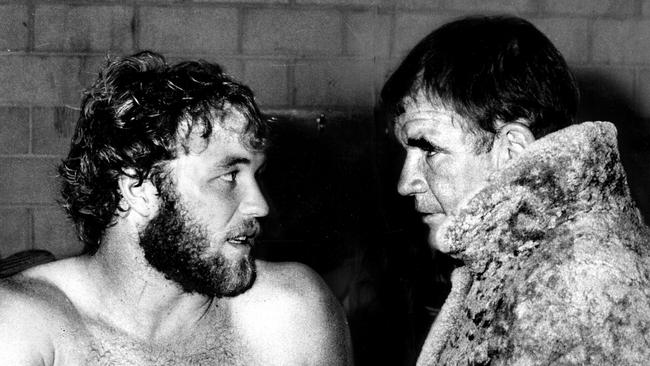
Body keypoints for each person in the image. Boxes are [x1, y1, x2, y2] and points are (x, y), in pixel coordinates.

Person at [0, 51, 352, 365]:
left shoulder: (292, 314)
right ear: (139, 188)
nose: (259, 205)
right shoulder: (24, 327)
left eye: (256, 175)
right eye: (229, 176)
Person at [381, 15, 650, 365]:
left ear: (511, 151)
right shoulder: (535, 265)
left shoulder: (576, 289)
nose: (406, 183)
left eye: (429, 149)